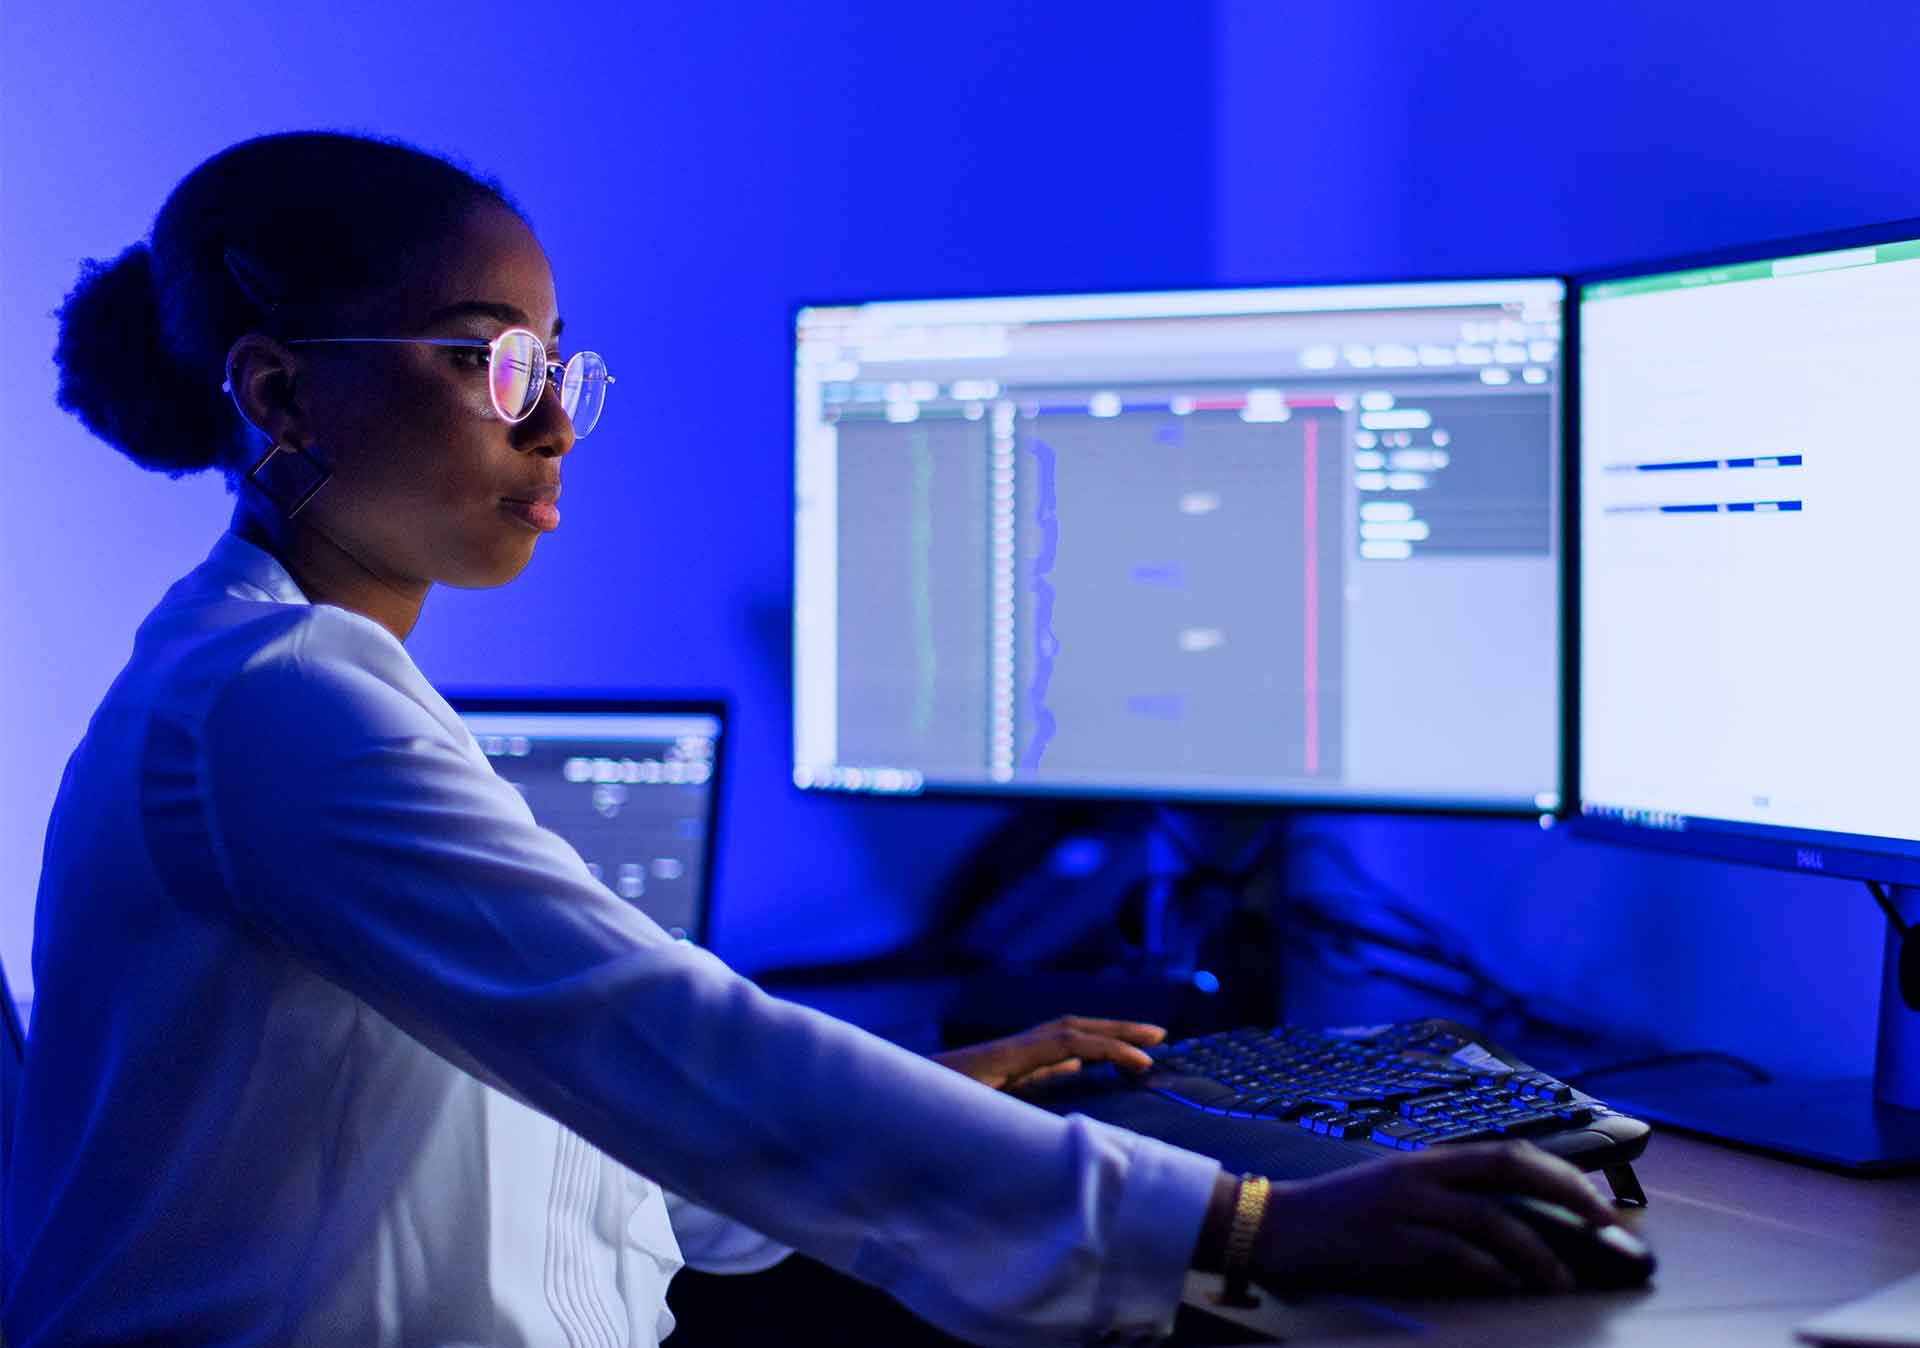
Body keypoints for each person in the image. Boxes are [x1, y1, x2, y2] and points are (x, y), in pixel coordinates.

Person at [2, 131, 1618, 1347]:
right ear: (280, 397)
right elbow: (656, 1041)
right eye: (488, 358)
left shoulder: (287, 676)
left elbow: (588, 1121)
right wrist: (1257, 1220)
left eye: (556, 362)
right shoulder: (272, 703)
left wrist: (931, 1093)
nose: (553, 417)